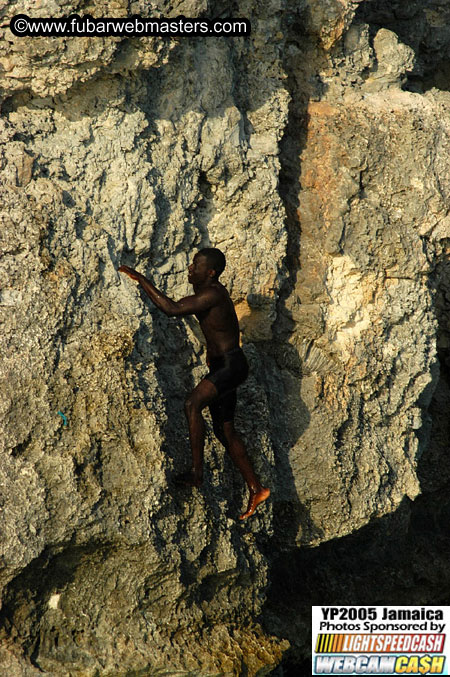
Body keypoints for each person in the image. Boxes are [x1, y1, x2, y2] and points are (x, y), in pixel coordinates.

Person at [118, 248, 270, 519]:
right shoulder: (211, 293)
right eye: (191, 263)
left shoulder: (212, 294)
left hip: (230, 366)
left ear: (210, 272)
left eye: (196, 265)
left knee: (192, 404)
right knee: (225, 431)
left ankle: (197, 473)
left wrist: (140, 278)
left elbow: (172, 309)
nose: (190, 268)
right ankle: (256, 488)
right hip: (228, 366)